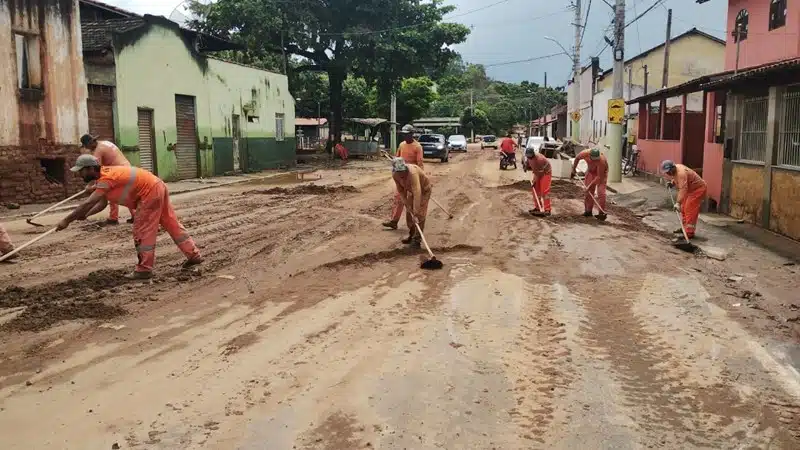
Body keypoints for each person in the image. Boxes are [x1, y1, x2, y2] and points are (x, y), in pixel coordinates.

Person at [56, 155, 203, 279]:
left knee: (143, 230)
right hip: (156, 186)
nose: (79, 175)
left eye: (80, 172)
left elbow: (89, 202)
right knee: (171, 223)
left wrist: (66, 220)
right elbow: (101, 204)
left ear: (90, 169)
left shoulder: (107, 178)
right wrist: (85, 215)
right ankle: (193, 255)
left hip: (149, 192)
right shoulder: (104, 177)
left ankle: (144, 269)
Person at [80, 134, 135, 225]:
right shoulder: (105, 143)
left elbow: (95, 171)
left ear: (90, 143)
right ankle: (135, 215)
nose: (88, 149)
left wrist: (91, 186)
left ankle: (113, 218)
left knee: (111, 192)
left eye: (87, 146)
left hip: (118, 172)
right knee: (126, 193)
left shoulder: (98, 151)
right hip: (126, 168)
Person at [383, 125, 424, 230]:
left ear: (412, 134)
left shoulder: (417, 147)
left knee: (410, 201)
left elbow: (420, 163)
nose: (405, 136)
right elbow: (397, 158)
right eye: (404, 134)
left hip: (412, 176)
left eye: (407, 134)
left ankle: (413, 226)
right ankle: (394, 221)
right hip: (401, 176)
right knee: (398, 198)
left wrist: (420, 178)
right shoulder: (401, 145)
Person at [391, 157, 432, 248]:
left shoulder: (412, 173)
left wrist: (416, 212)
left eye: (403, 171)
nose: (401, 174)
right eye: (399, 172)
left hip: (424, 191)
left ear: (405, 168)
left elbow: (418, 192)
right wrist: (408, 206)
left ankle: (417, 240)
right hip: (412, 191)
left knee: (420, 215)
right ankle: (412, 235)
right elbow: (401, 191)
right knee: (409, 215)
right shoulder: (395, 175)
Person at [661, 160, 707, 239]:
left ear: (673, 168)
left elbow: (683, 189)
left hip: (698, 189)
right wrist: (672, 183)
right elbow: (677, 179)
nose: (668, 174)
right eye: (666, 172)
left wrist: (678, 203)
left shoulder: (681, 173)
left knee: (689, 208)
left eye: (669, 172)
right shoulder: (675, 170)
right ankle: (684, 228)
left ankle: (689, 232)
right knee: (683, 208)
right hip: (690, 190)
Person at [571, 147, 609, 221]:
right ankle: (588, 211)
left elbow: (598, 177)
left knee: (601, 193)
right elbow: (577, 158)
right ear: (590, 157)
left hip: (601, 174)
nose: (596, 162)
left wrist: (589, 186)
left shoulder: (602, 161)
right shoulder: (584, 153)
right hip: (590, 171)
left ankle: (601, 213)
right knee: (588, 193)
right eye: (594, 160)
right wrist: (574, 169)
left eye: (597, 160)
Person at [525, 147, 552, 216]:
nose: (529, 158)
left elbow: (539, 173)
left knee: (545, 191)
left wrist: (534, 180)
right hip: (538, 172)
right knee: (535, 190)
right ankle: (537, 207)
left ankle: (547, 210)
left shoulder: (540, 159)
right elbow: (528, 163)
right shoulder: (528, 157)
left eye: (530, 156)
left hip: (546, 173)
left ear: (533, 154)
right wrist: (526, 166)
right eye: (528, 156)